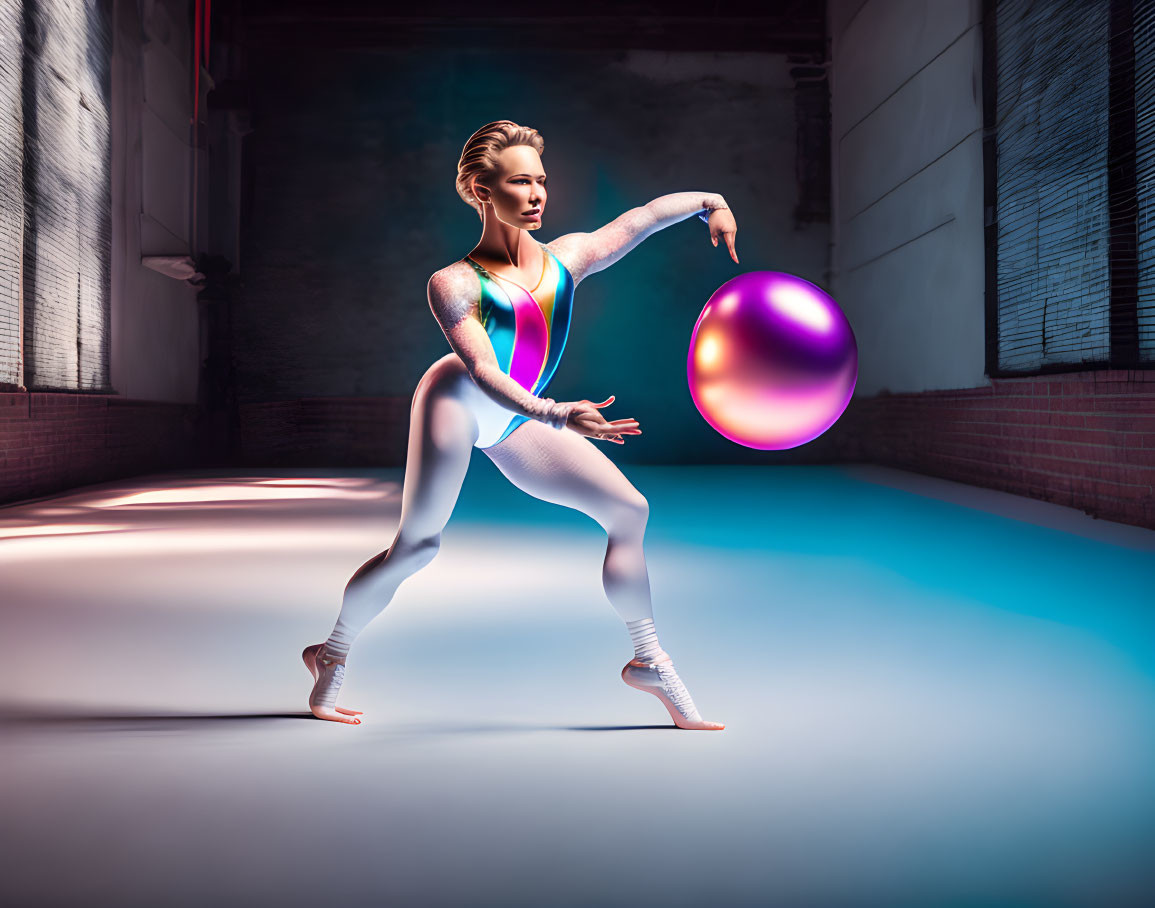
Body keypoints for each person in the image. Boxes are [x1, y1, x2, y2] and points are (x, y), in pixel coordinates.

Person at [302, 120, 739, 730]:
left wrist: (711, 205)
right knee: (418, 546)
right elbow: (481, 369)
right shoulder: (453, 283)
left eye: (541, 181)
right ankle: (332, 652)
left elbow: (641, 217)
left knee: (629, 511)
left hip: (515, 417)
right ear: (483, 190)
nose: (536, 195)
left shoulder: (567, 259)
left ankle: (650, 661)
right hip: (456, 403)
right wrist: (559, 413)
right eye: (519, 183)